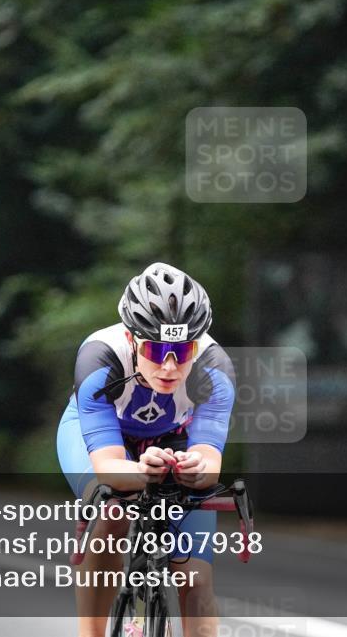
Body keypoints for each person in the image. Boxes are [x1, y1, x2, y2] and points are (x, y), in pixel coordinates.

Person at [56, 262, 236, 637]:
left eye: (182, 350)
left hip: (174, 439)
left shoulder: (215, 367)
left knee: (195, 579)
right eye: (156, 350)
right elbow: (108, 467)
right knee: (112, 512)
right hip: (102, 437)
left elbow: (210, 462)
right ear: (132, 338)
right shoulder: (98, 358)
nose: (170, 367)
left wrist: (193, 466)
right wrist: (140, 470)